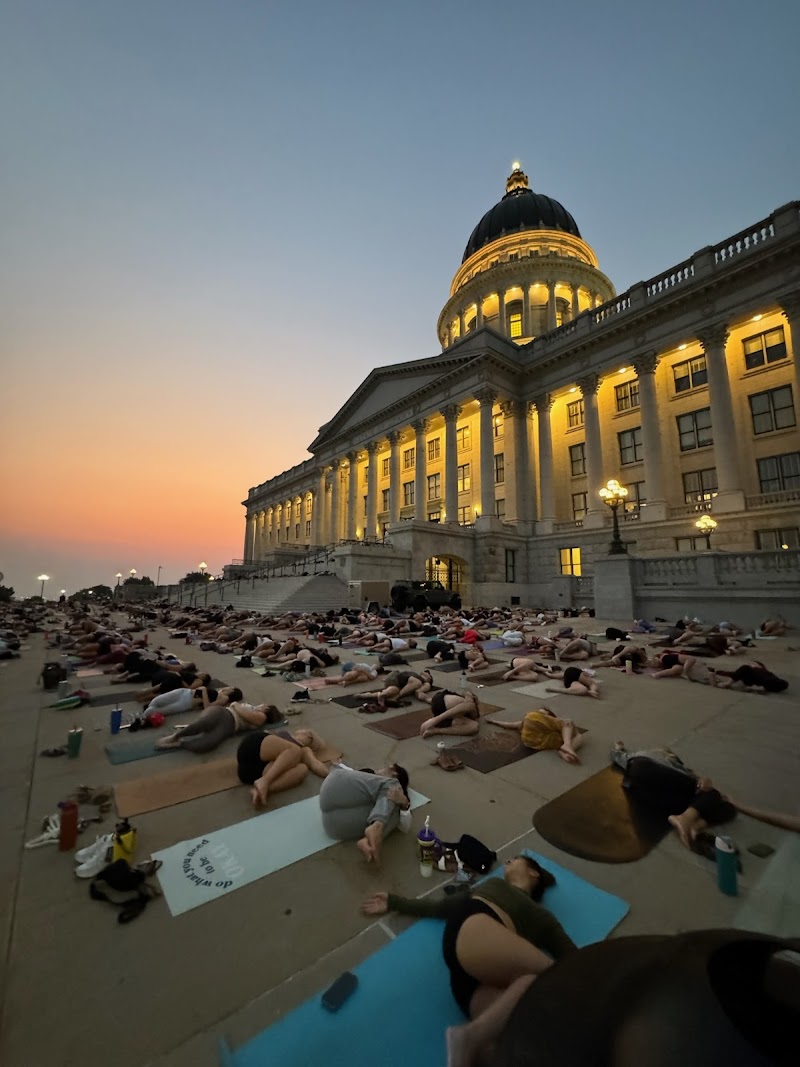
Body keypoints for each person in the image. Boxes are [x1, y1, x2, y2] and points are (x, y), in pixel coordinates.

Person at [361, 855, 576, 1067]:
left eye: (516, 859)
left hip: (467, 978)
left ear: (533, 872)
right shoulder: (493, 884)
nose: (507, 862)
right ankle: (468, 1037)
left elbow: (574, 957)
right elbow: (440, 908)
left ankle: (473, 1041)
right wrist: (395, 902)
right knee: (546, 977)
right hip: (473, 925)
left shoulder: (543, 918)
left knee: (503, 1047)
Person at [611, 741, 736, 848]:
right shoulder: (664, 759)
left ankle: (693, 826)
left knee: (728, 809)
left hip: (643, 787)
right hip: (645, 771)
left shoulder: (640, 756)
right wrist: (707, 785)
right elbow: (701, 784)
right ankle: (687, 820)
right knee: (714, 795)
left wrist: (618, 748)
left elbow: (617, 756)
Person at [320, 764, 410, 863]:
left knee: (394, 804)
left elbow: (405, 827)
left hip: (333, 825)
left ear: (393, 772)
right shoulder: (368, 774)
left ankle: (370, 836)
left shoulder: (383, 802)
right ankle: (377, 826)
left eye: (388, 767)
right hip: (334, 786)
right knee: (392, 788)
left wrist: (404, 804)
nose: (382, 767)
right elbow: (344, 772)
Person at [236, 727, 331, 808]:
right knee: (295, 749)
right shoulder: (286, 736)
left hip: (251, 771)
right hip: (253, 748)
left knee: (303, 769)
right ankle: (265, 781)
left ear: (308, 735)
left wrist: (334, 774)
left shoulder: (305, 750)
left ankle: (261, 789)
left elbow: (316, 766)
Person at [156, 688, 271, 752]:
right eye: (264, 705)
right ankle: (176, 736)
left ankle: (181, 743)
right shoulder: (251, 707)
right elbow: (234, 704)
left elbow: (241, 710)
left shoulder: (261, 717)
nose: (262, 706)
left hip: (229, 726)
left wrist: (236, 705)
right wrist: (235, 705)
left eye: (266, 707)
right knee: (202, 724)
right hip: (224, 713)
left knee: (206, 744)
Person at [486, 708, 585, 764]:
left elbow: (509, 725)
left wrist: (494, 721)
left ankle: (565, 751)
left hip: (530, 741)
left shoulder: (527, 723)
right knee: (570, 724)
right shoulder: (552, 725)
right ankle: (567, 746)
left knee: (576, 733)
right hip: (539, 737)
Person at [710, 661, 789, 693]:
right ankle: (727, 683)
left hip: (759, 679)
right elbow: (732, 674)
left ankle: (727, 684)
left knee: (745, 668)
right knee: (743, 669)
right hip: (756, 679)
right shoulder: (757, 671)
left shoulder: (762, 670)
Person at [362, 669, 434, 703]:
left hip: (395, 683)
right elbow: (423, 672)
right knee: (418, 683)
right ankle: (397, 697)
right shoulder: (420, 679)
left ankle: (369, 695)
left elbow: (419, 692)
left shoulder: (425, 683)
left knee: (392, 690)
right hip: (398, 676)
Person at [144, 683, 218, 716]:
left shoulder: (206, 697)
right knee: (158, 700)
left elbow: (207, 708)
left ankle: (148, 711)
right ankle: (150, 707)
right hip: (183, 693)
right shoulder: (204, 690)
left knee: (158, 710)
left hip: (184, 703)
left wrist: (204, 691)